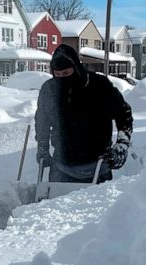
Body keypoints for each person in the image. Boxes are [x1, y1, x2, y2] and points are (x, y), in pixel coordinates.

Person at [35, 44, 133, 184]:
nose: (62, 78)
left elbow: (124, 113)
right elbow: (42, 121)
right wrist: (42, 147)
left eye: (66, 73)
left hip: (98, 166)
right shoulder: (49, 89)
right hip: (61, 167)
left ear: (76, 68)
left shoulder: (100, 86)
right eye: (58, 74)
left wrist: (122, 145)